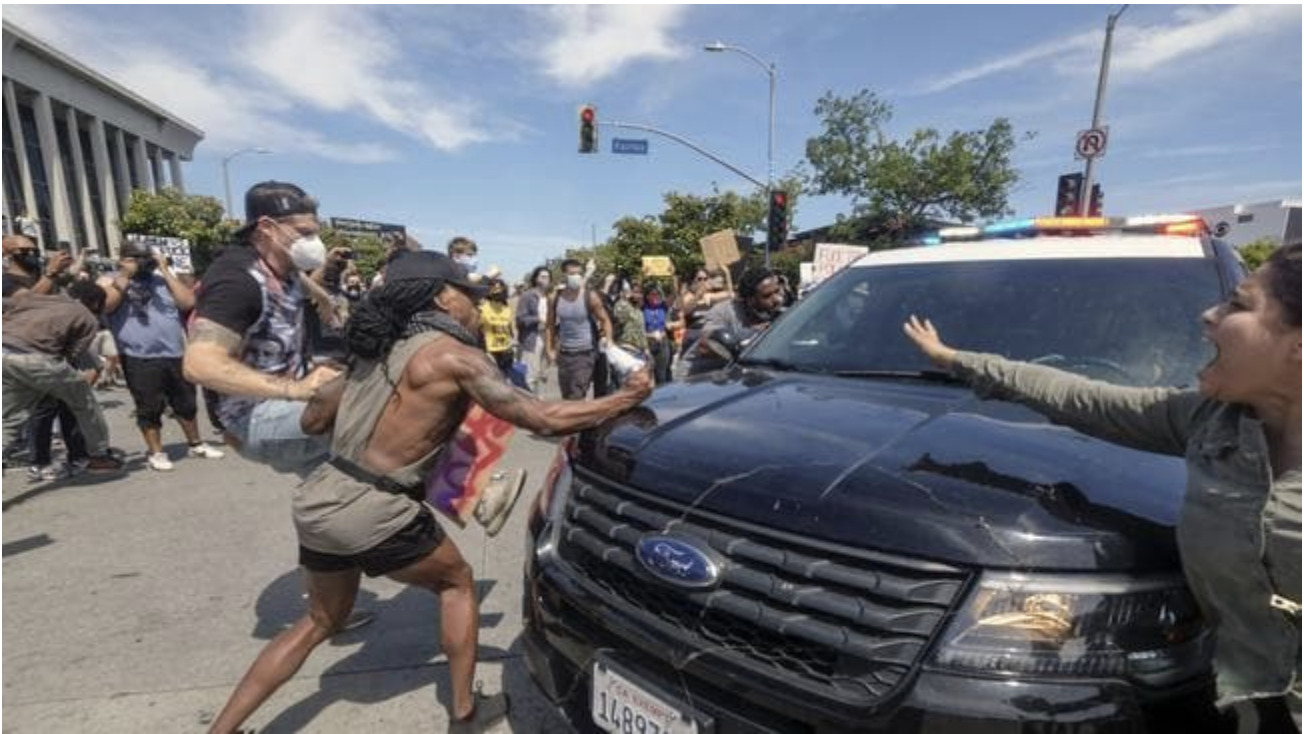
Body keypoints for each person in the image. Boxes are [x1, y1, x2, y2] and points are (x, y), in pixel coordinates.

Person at [205, 251, 653, 734]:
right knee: (456, 582)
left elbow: (314, 419)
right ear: (443, 297)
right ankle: (464, 714)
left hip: (320, 500)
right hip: (375, 507)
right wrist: (627, 397)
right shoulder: (455, 356)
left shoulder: (371, 350)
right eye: (470, 296)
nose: (478, 307)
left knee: (318, 621)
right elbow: (540, 417)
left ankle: (220, 730)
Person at [902, 243, 1301, 732]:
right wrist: (956, 359)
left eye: (1238, 305)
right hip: (1243, 699)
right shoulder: (1208, 421)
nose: (1210, 315)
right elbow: (1082, 397)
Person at [183, 181, 341, 475]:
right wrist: (296, 388)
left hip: (284, 408)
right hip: (251, 420)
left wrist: (323, 299)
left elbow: (300, 282)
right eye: (305, 233)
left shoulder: (285, 266)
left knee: (350, 490)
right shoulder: (236, 280)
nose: (315, 242)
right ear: (268, 227)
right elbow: (198, 365)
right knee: (370, 410)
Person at [103, 239, 225, 471]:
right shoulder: (111, 280)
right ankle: (157, 452)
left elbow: (189, 302)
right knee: (149, 407)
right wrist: (126, 276)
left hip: (174, 352)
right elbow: (107, 305)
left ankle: (196, 444)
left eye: (145, 257)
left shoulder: (162, 281)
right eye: (137, 258)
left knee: (186, 402)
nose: (143, 263)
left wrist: (165, 270)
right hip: (138, 356)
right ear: (123, 259)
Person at [2, 280, 125, 474]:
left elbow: (7, 305)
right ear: (94, 303)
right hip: (38, 359)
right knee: (85, 402)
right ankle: (98, 456)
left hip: (4, 352)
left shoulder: (40, 299)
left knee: (10, 417)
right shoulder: (87, 317)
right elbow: (72, 355)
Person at [683, 267, 786, 376]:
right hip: (698, 379)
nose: (777, 299)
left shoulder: (776, 313)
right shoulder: (723, 312)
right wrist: (749, 334)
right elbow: (705, 346)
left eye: (777, 291)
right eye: (767, 296)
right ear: (750, 300)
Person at [545, 259, 613, 400]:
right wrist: (549, 350)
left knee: (577, 395)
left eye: (579, 273)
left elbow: (605, 320)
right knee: (567, 394)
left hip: (585, 354)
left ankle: (578, 421)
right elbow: (549, 326)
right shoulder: (555, 298)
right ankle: (577, 420)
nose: (576, 277)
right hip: (563, 355)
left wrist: (609, 340)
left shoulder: (590, 296)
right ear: (564, 275)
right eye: (572, 273)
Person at [514, 266, 551, 392]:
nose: (546, 279)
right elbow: (520, 319)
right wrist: (538, 319)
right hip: (532, 338)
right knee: (529, 376)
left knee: (542, 375)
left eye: (548, 277)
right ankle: (527, 404)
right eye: (543, 277)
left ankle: (538, 403)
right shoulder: (527, 296)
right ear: (536, 279)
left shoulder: (548, 297)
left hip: (546, 338)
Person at [2, 234, 73, 297]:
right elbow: (28, 300)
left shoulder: (39, 274)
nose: (31, 253)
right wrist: (51, 273)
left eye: (35, 251)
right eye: (25, 250)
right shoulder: (5, 281)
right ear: (9, 255)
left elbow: (68, 278)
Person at [478, 277, 516, 381]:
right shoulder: (482, 307)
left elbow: (509, 329)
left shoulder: (507, 308)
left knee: (507, 382)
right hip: (490, 352)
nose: (497, 290)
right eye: (494, 288)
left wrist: (512, 346)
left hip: (506, 351)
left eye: (500, 288)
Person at [642, 284, 672, 385]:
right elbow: (638, 330)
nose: (655, 297)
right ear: (647, 296)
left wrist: (674, 281)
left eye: (657, 294)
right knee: (648, 374)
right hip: (647, 343)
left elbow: (675, 296)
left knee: (661, 374)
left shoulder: (663, 306)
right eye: (652, 294)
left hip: (662, 343)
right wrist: (651, 335)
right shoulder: (642, 308)